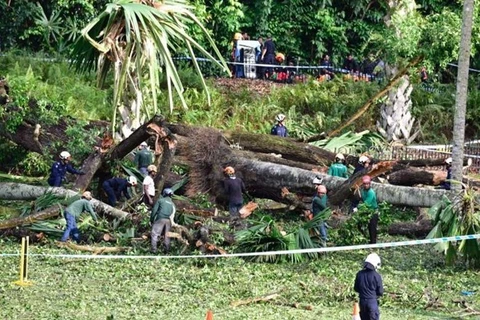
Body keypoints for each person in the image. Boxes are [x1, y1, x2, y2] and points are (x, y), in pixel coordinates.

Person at [354, 253, 384, 320]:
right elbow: (380, 292)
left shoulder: (359, 274)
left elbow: (356, 288)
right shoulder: (376, 275)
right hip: (372, 302)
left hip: (362, 302)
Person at [354, 175, 379, 244]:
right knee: (360, 224)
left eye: (367, 184)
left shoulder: (371, 192)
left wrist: (358, 207)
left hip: (373, 211)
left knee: (372, 228)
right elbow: (362, 199)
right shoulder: (363, 191)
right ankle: (365, 238)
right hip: (366, 211)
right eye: (364, 184)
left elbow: (367, 203)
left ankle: (373, 243)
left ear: (369, 184)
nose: (366, 185)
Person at [150, 188, 177, 253]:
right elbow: (173, 214)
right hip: (168, 221)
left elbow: (154, 211)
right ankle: (167, 251)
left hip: (160, 219)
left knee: (155, 234)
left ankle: (154, 250)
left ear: (164, 194)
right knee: (167, 236)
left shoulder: (160, 200)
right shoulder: (173, 204)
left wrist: (151, 219)